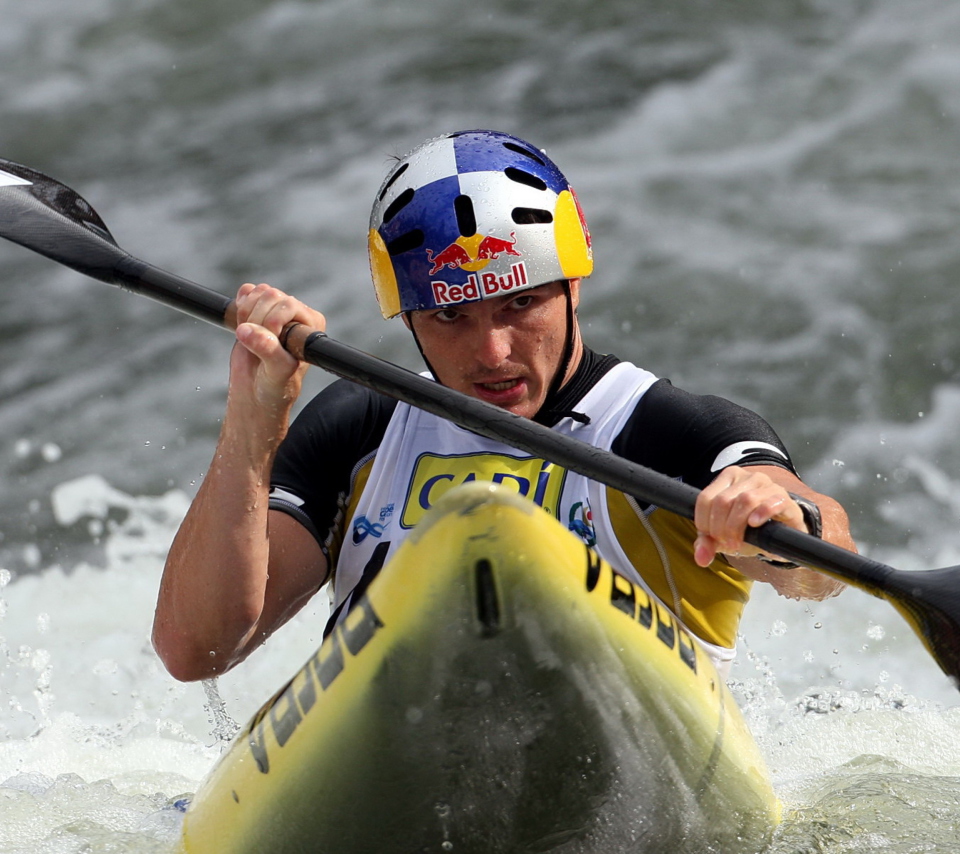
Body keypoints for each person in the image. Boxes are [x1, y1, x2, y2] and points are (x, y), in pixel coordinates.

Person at [152, 130, 856, 683]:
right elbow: (198, 650)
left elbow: (827, 562)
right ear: (406, 319)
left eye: (520, 303)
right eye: (450, 317)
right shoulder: (359, 428)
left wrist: (779, 521)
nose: (491, 352)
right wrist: (253, 422)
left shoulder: (669, 433)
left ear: (572, 285)